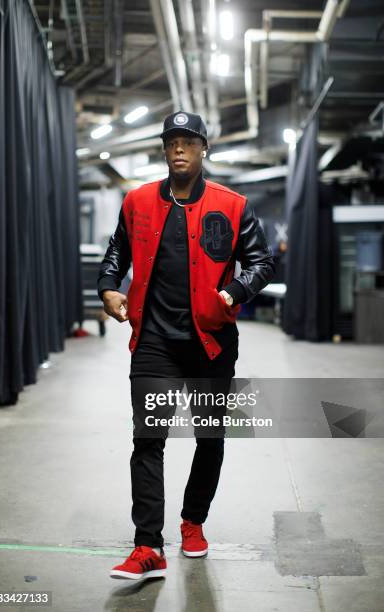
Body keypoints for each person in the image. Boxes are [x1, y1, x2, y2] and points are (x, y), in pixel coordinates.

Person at [97, 111, 275, 580]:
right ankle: (147, 546)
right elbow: (117, 251)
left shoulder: (232, 205)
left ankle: (193, 522)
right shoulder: (137, 202)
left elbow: (261, 261)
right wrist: (109, 286)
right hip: (154, 341)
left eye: (188, 142)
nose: (179, 148)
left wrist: (235, 291)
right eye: (172, 141)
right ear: (164, 150)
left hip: (210, 343)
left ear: (203, 150)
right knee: (148, 438)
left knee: (209, 439)